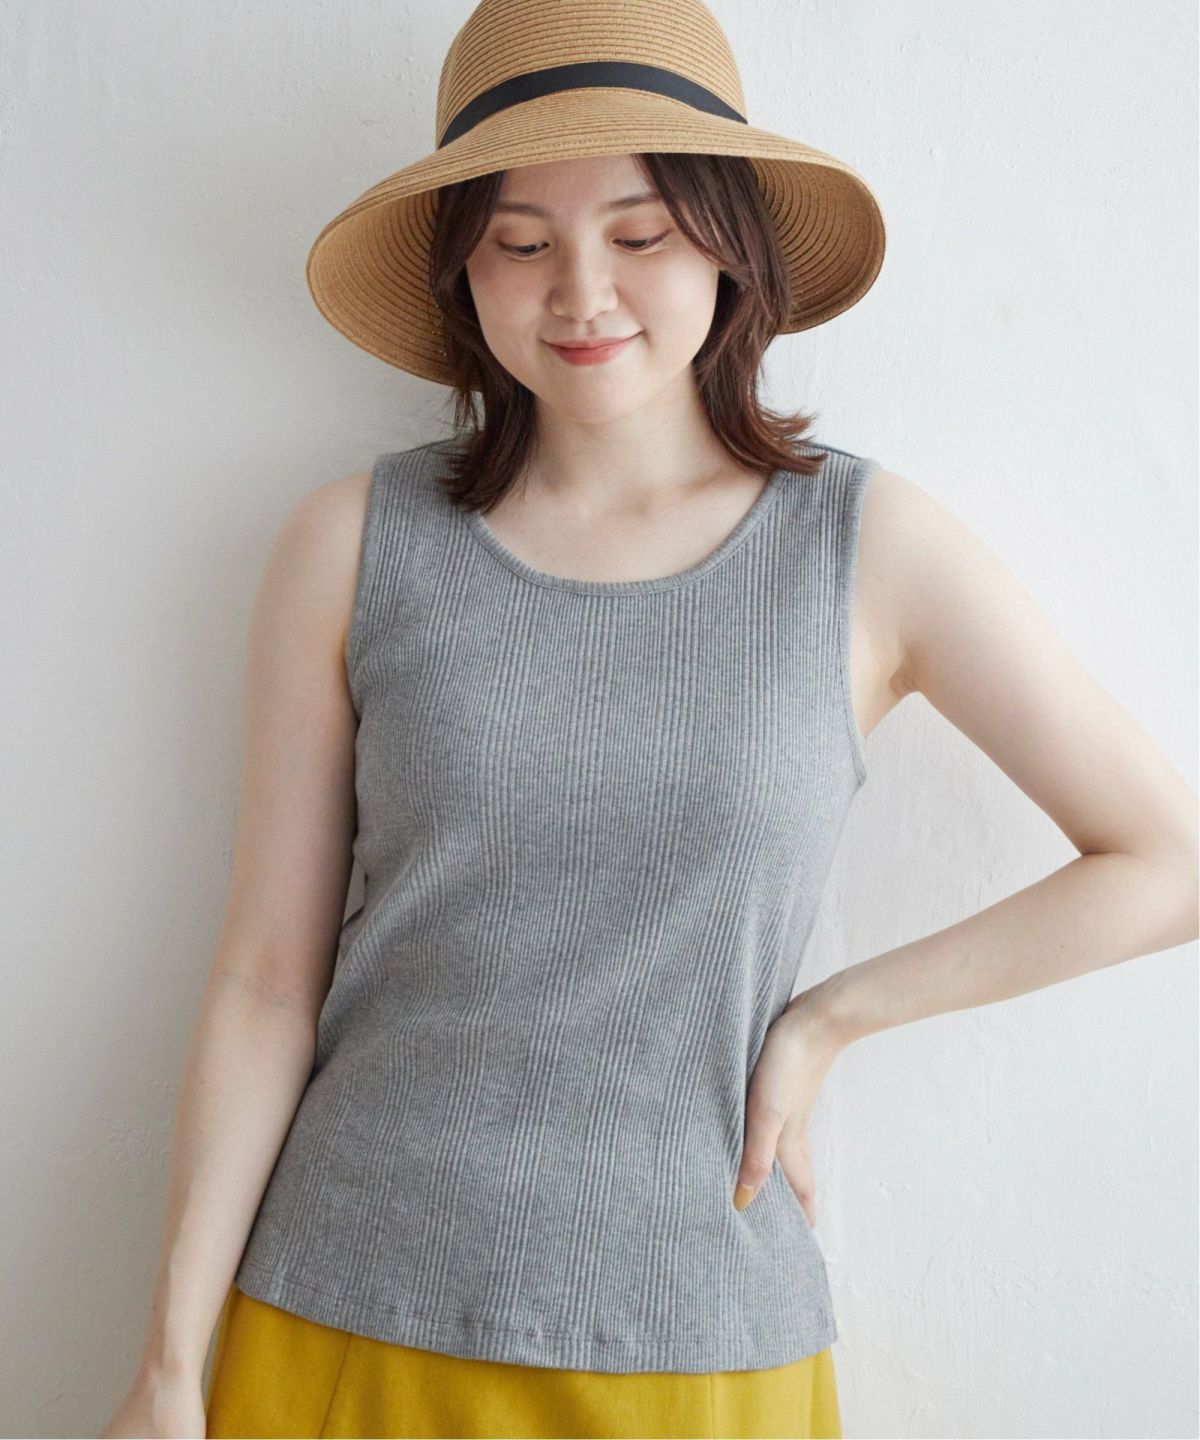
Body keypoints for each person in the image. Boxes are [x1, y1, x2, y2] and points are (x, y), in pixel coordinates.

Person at [101, 1, 1199, 1437]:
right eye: (519, 242)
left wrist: (829, 1020)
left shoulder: (865, 550)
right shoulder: (351, 545)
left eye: (641, 234)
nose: (582, 294)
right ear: (463, 268)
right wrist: (168, 1367)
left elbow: (1167, 858)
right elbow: (264, 979)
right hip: (345, 1311)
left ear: (727, 245)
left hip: (702, 1336)